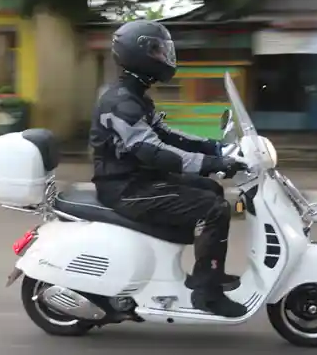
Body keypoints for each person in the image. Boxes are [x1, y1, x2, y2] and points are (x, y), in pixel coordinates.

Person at [89, 20, 249, 318]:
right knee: (212, 209)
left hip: (139, 179)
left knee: (211, 190)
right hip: (125, 188)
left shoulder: (135, 97)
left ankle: (204, 271)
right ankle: (207, 293)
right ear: (138, 55)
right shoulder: (120, 103)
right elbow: (152, 152)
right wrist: (212, 164)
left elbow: (167, 136)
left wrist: (214, 147)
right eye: (157, 50)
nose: (165, 56)